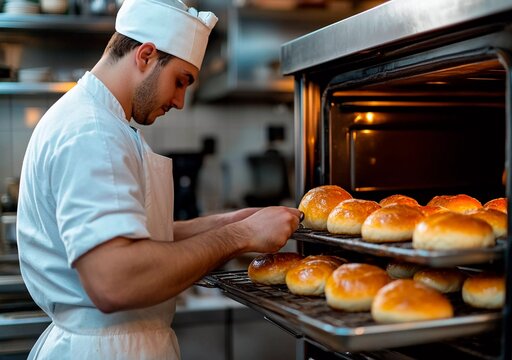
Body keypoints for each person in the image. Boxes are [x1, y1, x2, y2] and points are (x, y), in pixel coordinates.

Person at [16, 0, 302, 358]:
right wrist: (239, 236)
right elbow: (115, 281)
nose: (181, 101)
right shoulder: (92, 132)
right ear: (146, 55)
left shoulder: (102, 122)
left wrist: (231, 221)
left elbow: (140, 237)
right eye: (180, 81)